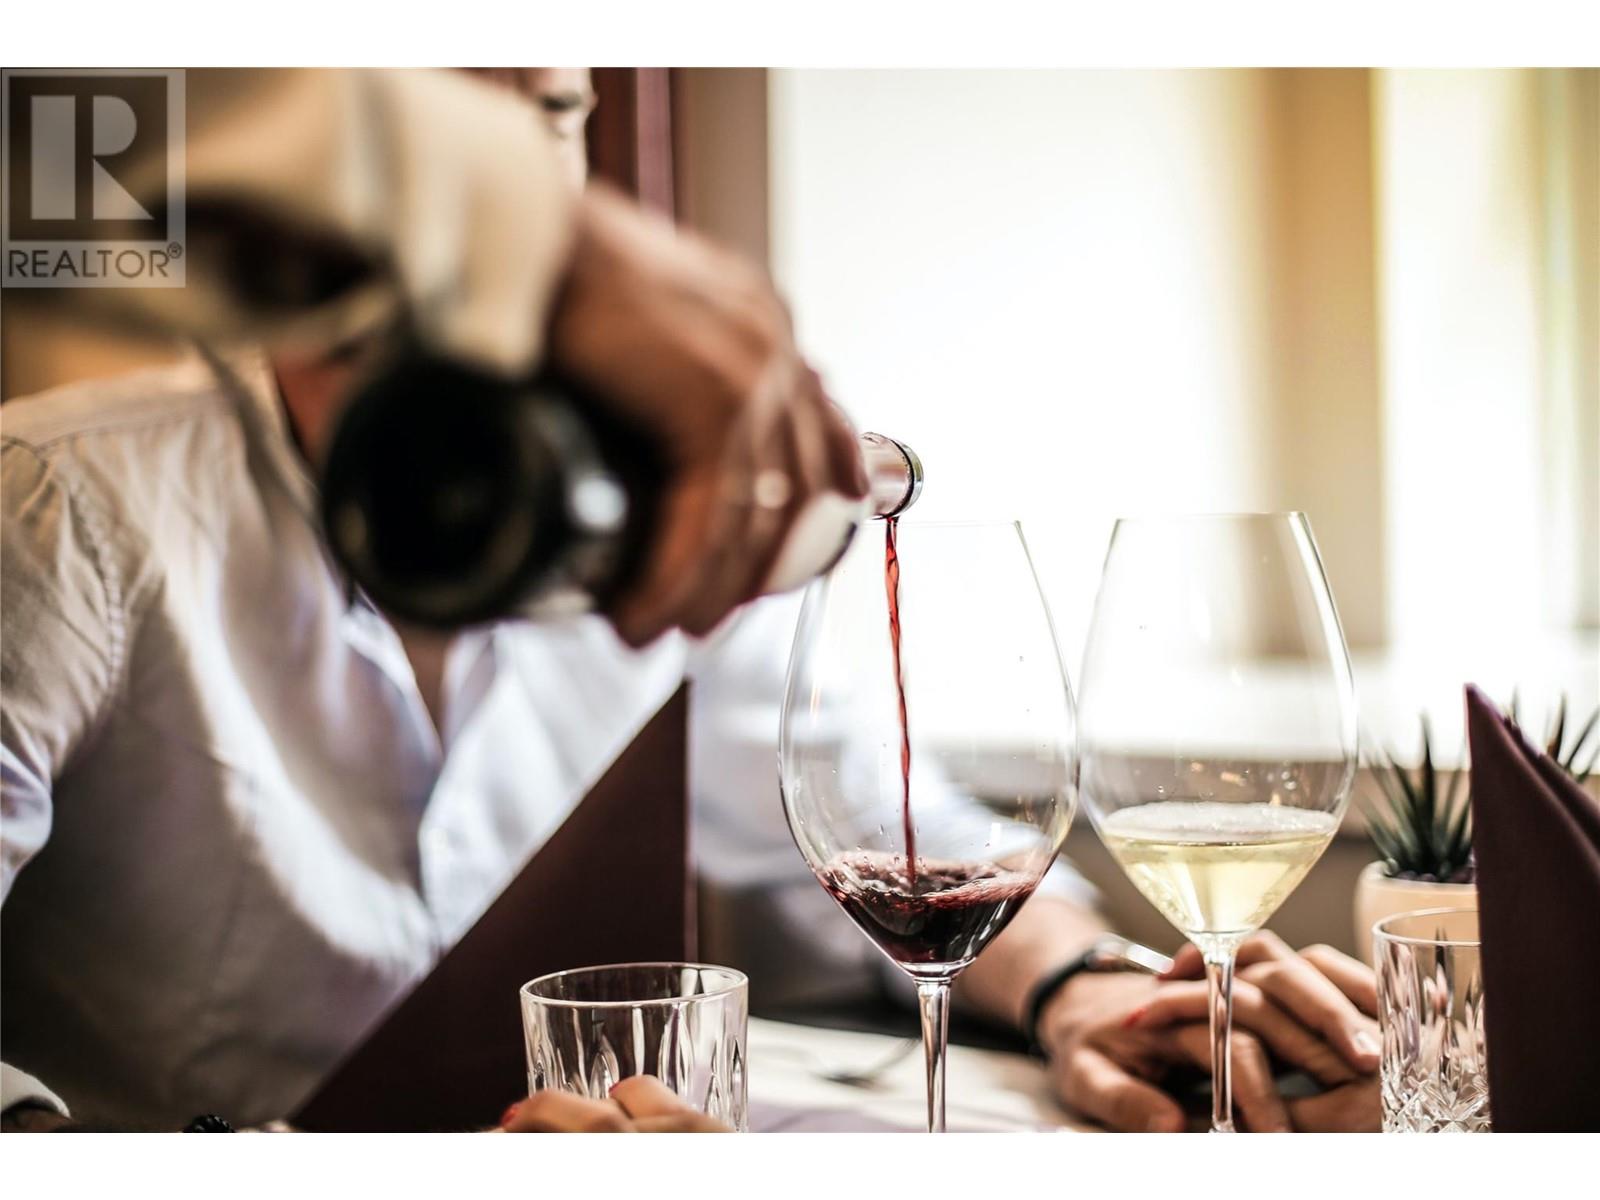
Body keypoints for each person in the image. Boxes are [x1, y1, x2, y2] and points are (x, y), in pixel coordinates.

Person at [0, 68, 1378, 1133]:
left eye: (553, 112)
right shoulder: (59, 505)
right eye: (443, 115)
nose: (522, 175)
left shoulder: (663, 507)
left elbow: (867, 825)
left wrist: (1086, 990)